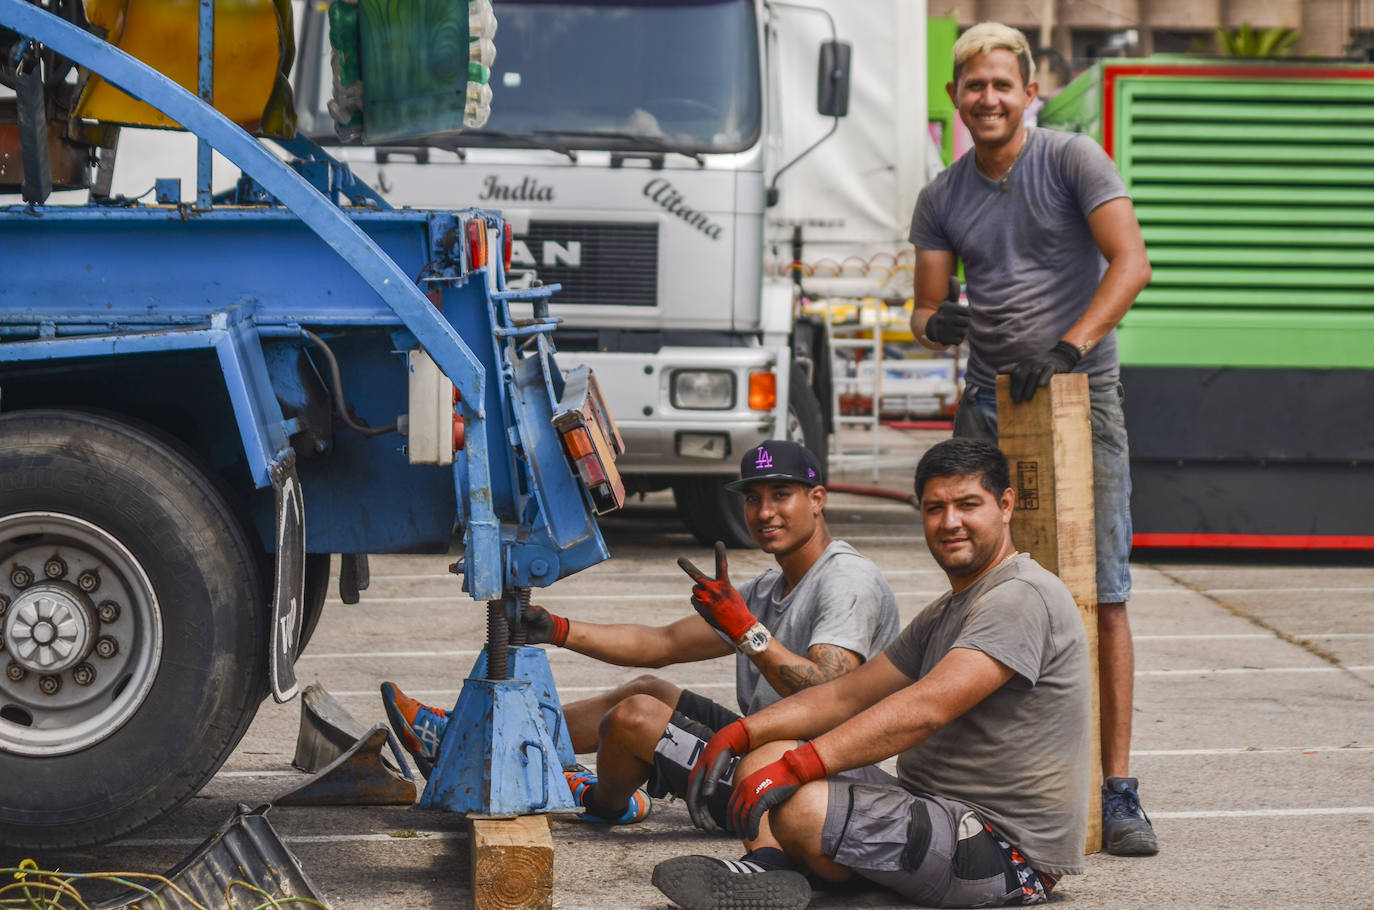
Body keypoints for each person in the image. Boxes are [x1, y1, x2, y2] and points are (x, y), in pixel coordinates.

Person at [907, 22, 1156, 855]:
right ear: (955, 98)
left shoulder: (1073, 160)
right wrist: (936, 323)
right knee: (979, 586)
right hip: (989, 402)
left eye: (1002, 85)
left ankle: (1117, 792)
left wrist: (1070, 347)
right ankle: (986, 775)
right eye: (973, 86)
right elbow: (924, 312)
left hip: (1081, 392)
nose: (988, 99)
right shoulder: (942, 194)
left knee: (1104, 589)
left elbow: (1131, 263)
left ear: (1028, 91)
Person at [652, 438, 1090, 910]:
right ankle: (774, 872)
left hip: (1002, 849)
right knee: (767, 752)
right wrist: (740, 734)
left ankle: (815, 872)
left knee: (800, 806)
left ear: (1005, 506)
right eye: (935, 508)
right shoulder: (950, 608)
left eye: (967, 505)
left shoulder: (1020, 595)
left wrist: (800, 767)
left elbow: (926, 709)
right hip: (934, 808)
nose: (950, 523)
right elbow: (846, 696)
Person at [382, 439, 900, 827]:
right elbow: (662, 644)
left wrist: (745, 629)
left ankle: (604, 803)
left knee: (634, 719)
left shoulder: (846, 581)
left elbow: (826, 695)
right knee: (645, 691)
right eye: (754, 498)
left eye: (781, 495)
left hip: (803, 786)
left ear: (818, 499)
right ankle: (464, 744)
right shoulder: (772, 584)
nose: (764, 512)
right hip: (765, 745)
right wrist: (557, 629)